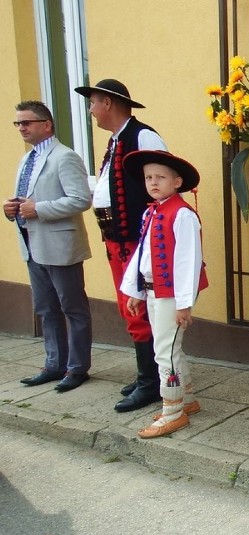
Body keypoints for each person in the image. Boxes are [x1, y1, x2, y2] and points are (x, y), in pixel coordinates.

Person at [74, 79, 167, 412]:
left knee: (139, 306)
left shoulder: (142, 136)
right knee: (129, 306)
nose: (91, 110)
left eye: (93, 103)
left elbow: (163, 187)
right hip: (118, 241)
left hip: (136, 242)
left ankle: (151, 382)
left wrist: (149, 237)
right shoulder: (115, 142)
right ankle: (148, 374)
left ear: (108, 103)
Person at [3, 100, 93, 392]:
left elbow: (81, 200)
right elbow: (26, 199)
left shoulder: (64, 157)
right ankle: (54, 364)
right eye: (18, 123)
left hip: (61, 246)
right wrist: (12, 209)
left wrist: (38, 209)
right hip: (32, 244)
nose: (21, 128)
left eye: (26, 122)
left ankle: (77, 368)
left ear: (46, 125)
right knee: (45, 308)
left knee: (72, 307)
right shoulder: (26, 159)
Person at [119, 150, 207, 438]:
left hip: (171, 295)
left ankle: (172, 412)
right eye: (148, 177)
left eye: (160, 177)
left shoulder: (182, 214)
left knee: (164, 353)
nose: (153, 182)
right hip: (154, 291)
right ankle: (187, 399)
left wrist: (184, 304)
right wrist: (137, 291)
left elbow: (188, 261)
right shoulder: (151, 211)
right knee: (170, 349)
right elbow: (142, 255)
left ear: (177, 181)